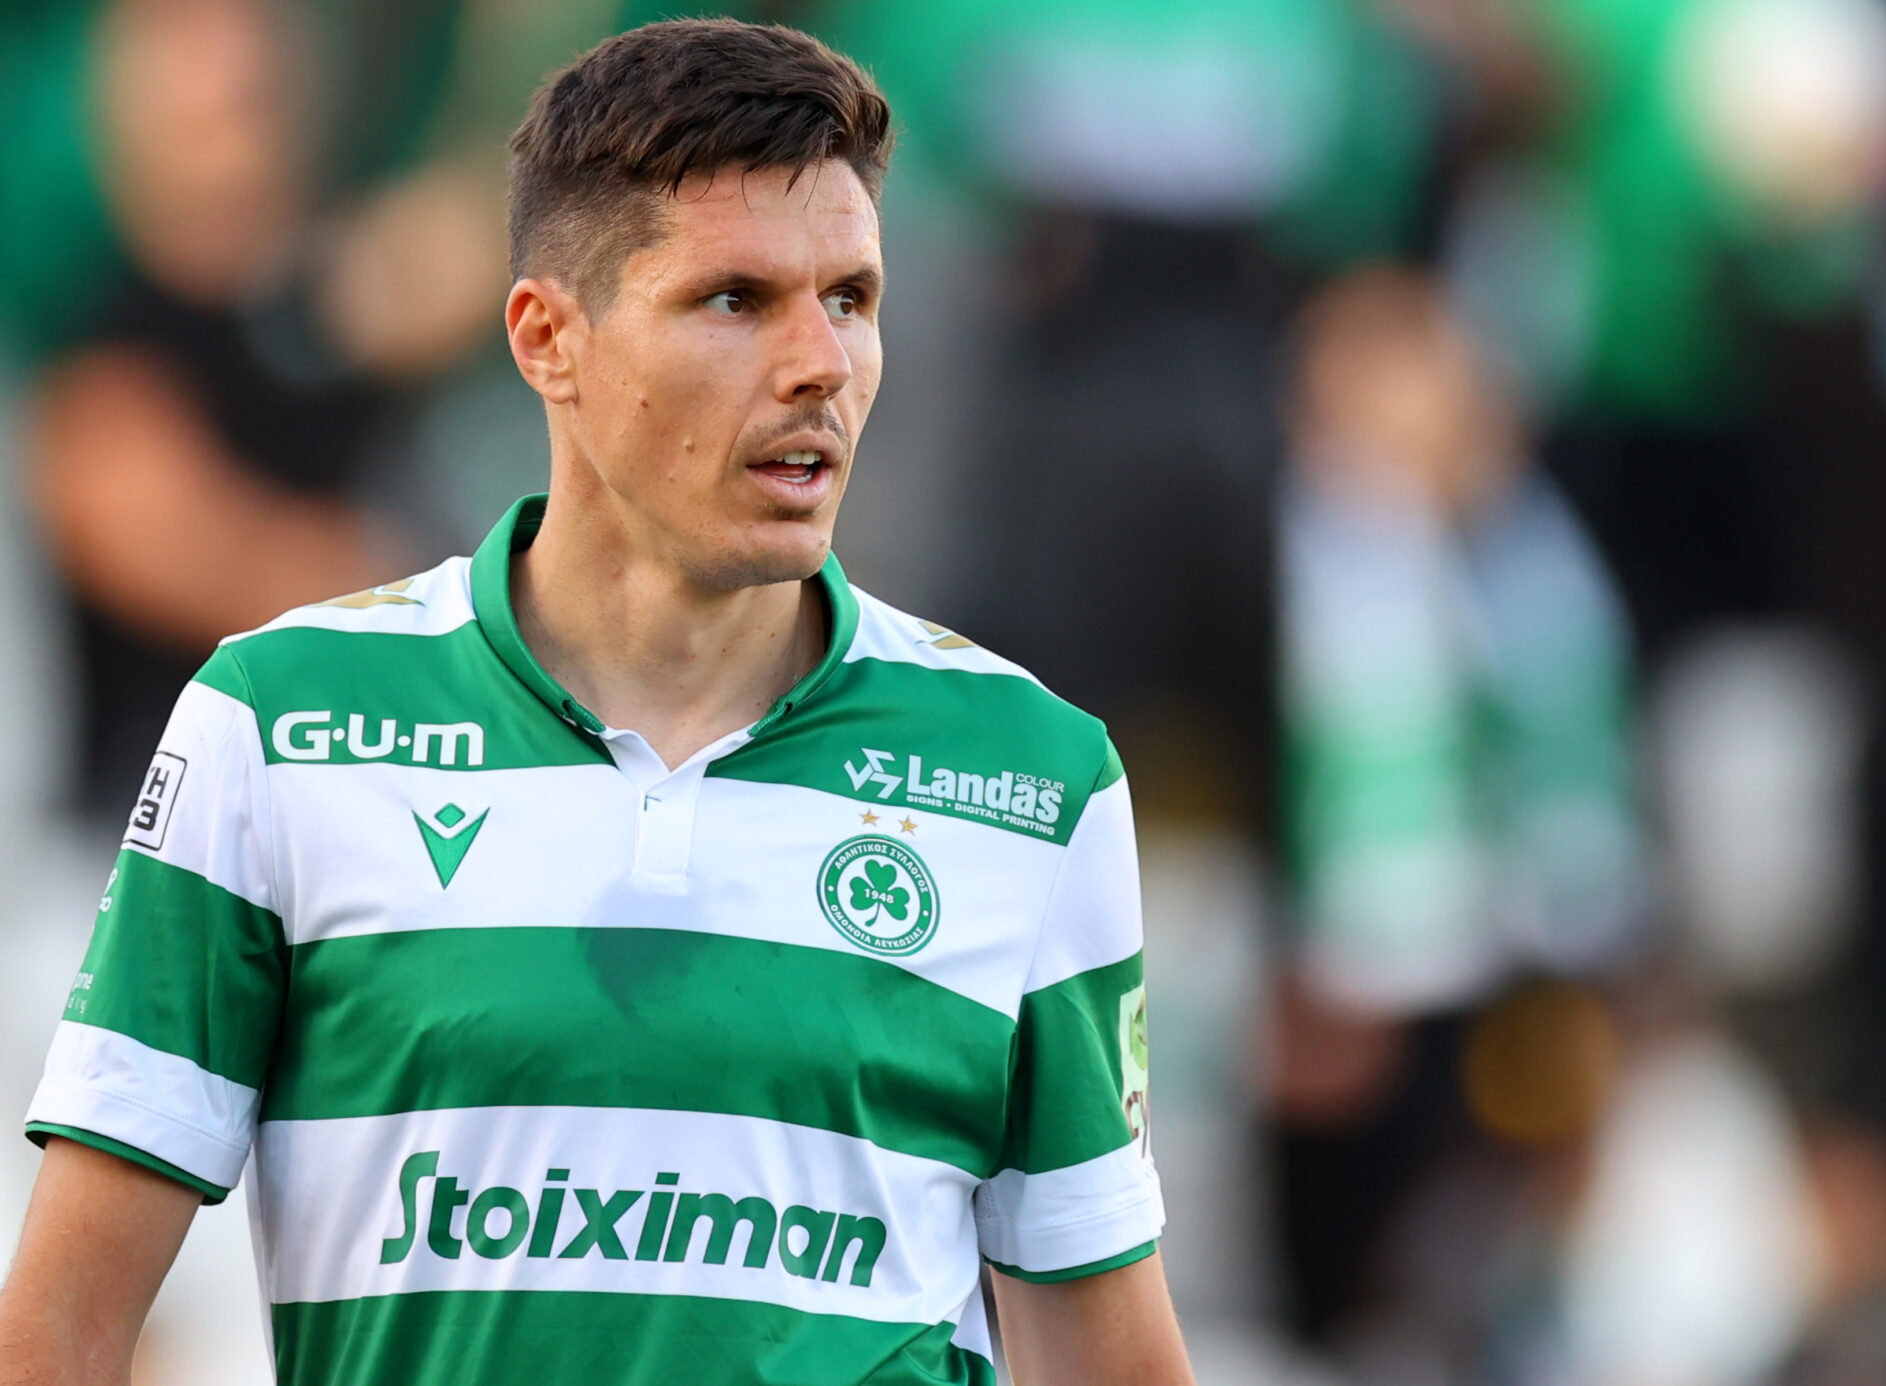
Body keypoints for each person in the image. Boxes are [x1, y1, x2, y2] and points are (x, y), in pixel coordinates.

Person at [0, 19, 1196, 1386]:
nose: (820, 361)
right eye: (735, 300)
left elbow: (1110, 1359)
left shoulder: (1031, 776)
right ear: (547, 339)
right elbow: (63, 1333)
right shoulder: (277, 727)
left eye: (852, 298)